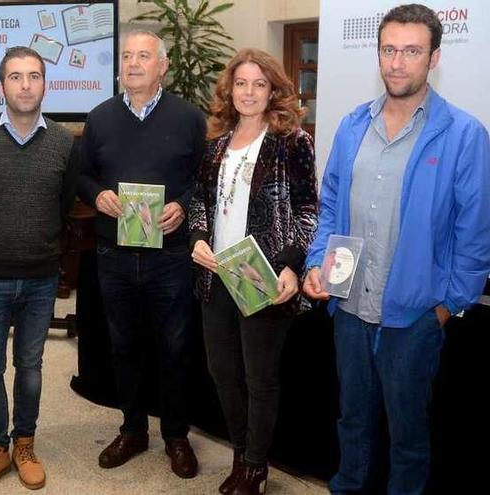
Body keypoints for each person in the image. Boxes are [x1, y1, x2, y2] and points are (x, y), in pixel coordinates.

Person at [302, 4, 490, 494]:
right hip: (348, 309)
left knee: (407, 437)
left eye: (412, 50)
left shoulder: (465, 135)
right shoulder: (351, 126)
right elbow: (329, 209)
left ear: (434, 58)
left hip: (415, 318)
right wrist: (315, 262)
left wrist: (447, 308)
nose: (398, 62)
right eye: (389, 49)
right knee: (351, 422)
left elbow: (475, 238)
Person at [187, 48, 318, 495]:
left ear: (273, 90)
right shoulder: (216, 142)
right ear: (230, 90)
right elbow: (199, 202)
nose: (248, 92)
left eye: (258, 84)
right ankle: (241, 454)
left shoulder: (292, 141)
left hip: (262, 274)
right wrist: (197, 239)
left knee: (259, 378)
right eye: (241, 83)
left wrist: (291, 266)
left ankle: (257, 467)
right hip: (217, 273)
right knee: (222, 371)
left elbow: (307, 210)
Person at [0, 46, 79, 494]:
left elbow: (64, 205)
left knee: (30, 365)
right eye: (16, 77)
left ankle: (24, 443)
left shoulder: (63, 142)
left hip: (42, 277)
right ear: (0, 85)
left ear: (45, 83)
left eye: (34, 76)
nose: (25, 85)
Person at [78, 30, 206, 479]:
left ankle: (176, 435)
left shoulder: (189, 118)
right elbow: (83, 176)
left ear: (162, 66)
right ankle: (132, 430)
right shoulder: (99, 118)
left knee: (174, 347)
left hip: (169, 257)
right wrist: (98, 197)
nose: (133, 63)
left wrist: (183, 206)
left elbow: (203, 179)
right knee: (124, 346)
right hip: (114, 254)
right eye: (127, 56)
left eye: (144, 56)